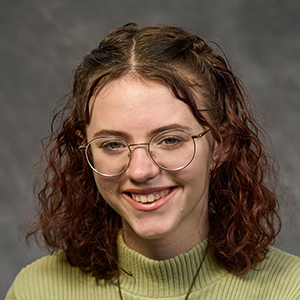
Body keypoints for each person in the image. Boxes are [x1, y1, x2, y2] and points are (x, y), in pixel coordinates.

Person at [6, 22, 300, 300]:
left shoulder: (289, 290)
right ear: (86, 149)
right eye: (112, 144)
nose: (141, 171)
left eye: (170, 140)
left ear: (220, 146)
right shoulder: (36, 291)